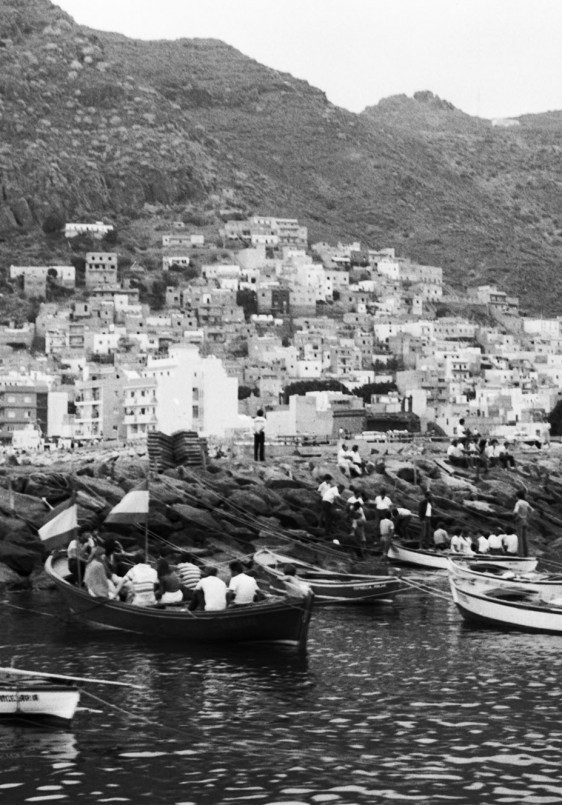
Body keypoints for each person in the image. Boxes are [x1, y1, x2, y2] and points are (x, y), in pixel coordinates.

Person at [513, 490, 532, 556]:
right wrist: (527, 517)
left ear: (517, 496)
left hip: (520, 521)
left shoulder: (518, 503)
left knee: (520, 538)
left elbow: (515, 511)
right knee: (525, 538)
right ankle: (526, 554)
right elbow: (532, 510)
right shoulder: (526, 503)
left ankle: (521, 555)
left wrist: (517, 517)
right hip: (525, 521)